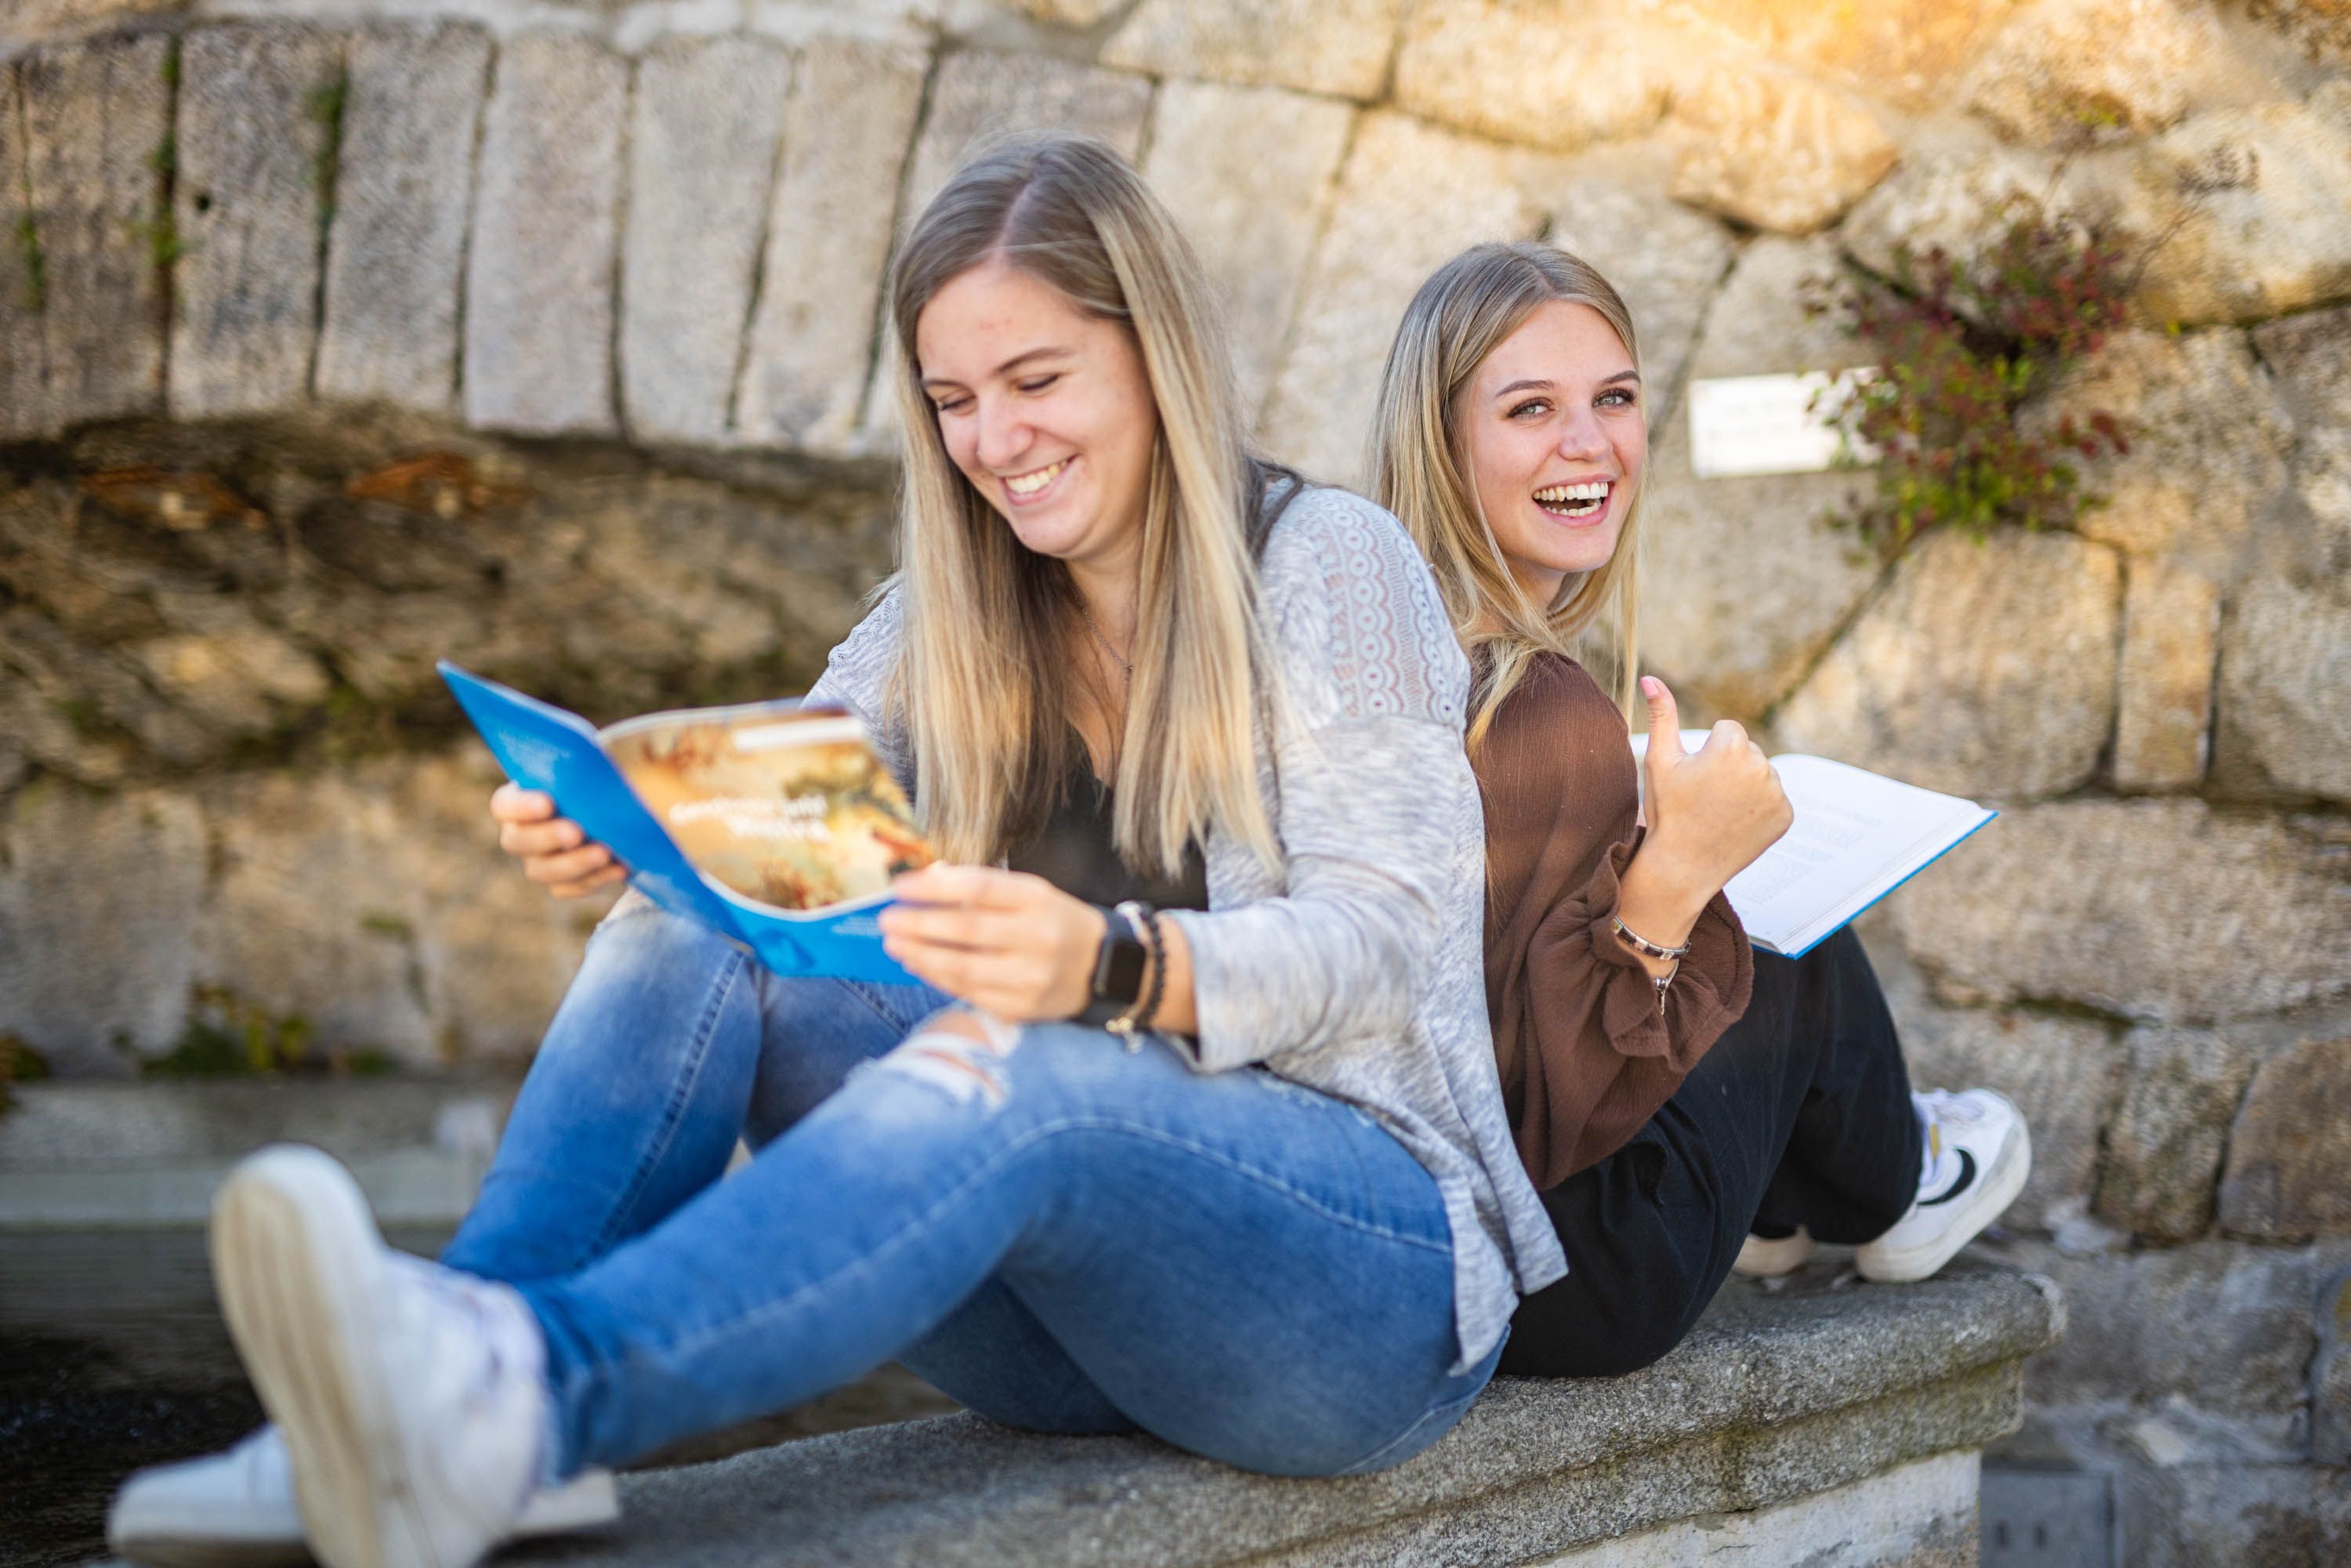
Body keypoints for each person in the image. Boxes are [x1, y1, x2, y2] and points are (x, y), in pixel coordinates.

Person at [109, 137, 1567, 1568]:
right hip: (1065, 1326)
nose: (995, 441)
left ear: (1154, 356)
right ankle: (429, 1394)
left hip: (1363, 1298)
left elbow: (1385, 941)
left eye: (1037, 380)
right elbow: (782, 793)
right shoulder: (955, 615)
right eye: (954, 400)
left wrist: (1114, 965)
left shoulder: (1333, 561)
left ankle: (520, 1392)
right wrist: (635, 829)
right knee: (711, 920)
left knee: (1043, 1058)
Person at [1364, 241, 2031, 1379]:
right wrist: (1681, 872)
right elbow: (1552, 1099)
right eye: (1532, 408)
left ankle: (1775, 1206)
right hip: (1583, 1272)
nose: (1590, 444)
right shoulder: (1535, 701)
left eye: (1613, 399)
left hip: (1434, 1229)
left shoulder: (1384, 647)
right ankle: (1896, 1184)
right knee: (1778, 934)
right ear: (1443, 441)